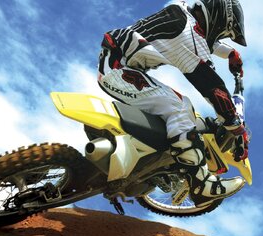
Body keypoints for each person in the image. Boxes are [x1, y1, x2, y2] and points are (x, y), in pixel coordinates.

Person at [97, 0, 250, 207]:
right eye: (224, 32)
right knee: (179, 107)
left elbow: (205, 41)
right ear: (219, 18)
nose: (220, 36)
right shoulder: (187, 37)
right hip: (117, 72)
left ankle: (139, 156)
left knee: (177, 105)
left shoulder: (182, 13)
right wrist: (236, 127)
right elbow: (212, 86)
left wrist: (231, 53)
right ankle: (201, 184)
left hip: (118, 63)